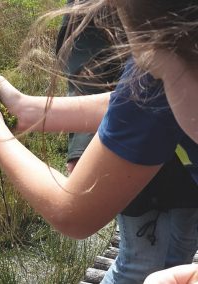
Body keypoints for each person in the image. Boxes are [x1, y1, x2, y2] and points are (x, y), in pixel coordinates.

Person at [0, 0, 198, 282]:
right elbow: (144, 103)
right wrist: (28, 111)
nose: (148, 80)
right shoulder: (170, 68)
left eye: (157, 72)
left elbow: (71, 213)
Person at [55, 2, 198, 282]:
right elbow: (90, 75)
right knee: (139, 259)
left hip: (179, 178)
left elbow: (71, 215)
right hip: (129, 166)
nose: (156, 85)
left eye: (161, 76)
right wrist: (79, 148)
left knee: (177, 248)